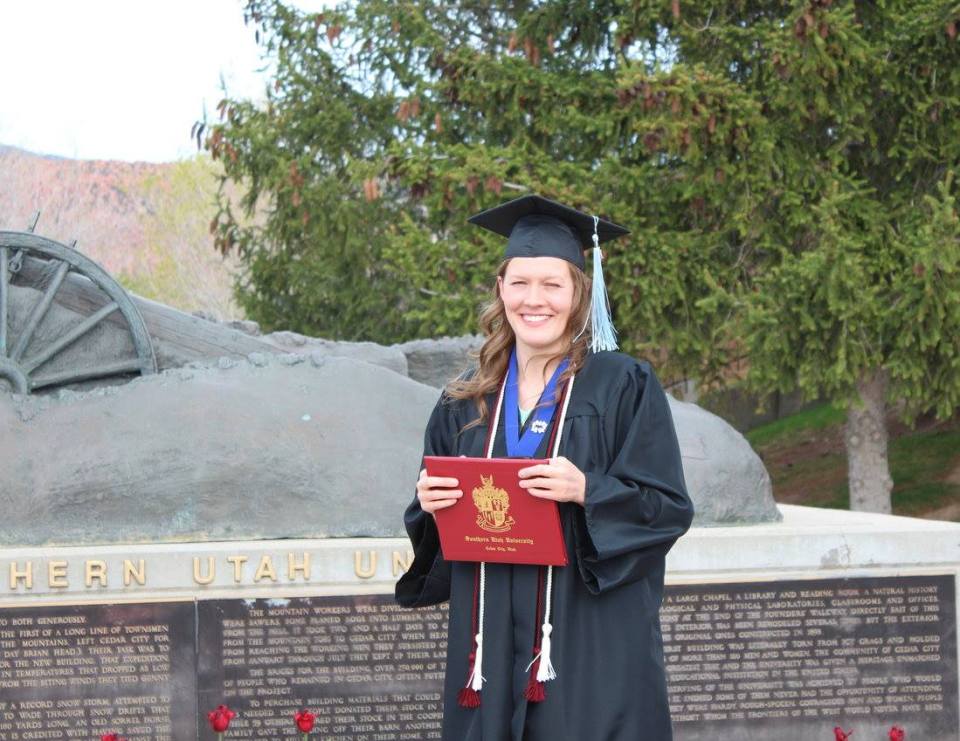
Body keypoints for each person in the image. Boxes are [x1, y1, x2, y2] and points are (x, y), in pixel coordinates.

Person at [395, 194, 694, 741]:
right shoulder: (465, 398)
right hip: (489, 644)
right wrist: (431, 506)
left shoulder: (622, 385)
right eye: (520, 283)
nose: (534, 300)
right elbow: (435, 531)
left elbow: (668, 508)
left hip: (588, 644)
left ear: (579, 292)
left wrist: (588, 490)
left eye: (552, 285)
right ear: (501, 289)